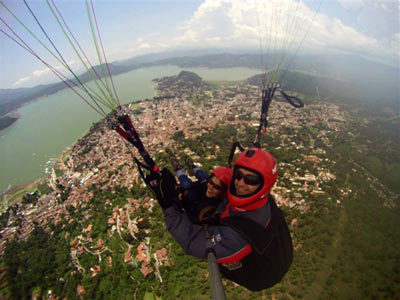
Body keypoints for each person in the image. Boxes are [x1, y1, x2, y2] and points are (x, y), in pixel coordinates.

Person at [150, 147, 293, 291]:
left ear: (264, 185)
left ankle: (187, 171)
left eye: (251, 179)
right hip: (274, 249)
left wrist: (169, 206)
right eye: (238, 175)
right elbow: (223, 183)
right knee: (206, 182)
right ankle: (193, 169)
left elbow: (192, 241)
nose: (241, 183)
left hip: (259, 274)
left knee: (189, 186)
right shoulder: (261, 201)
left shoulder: (237, 237)